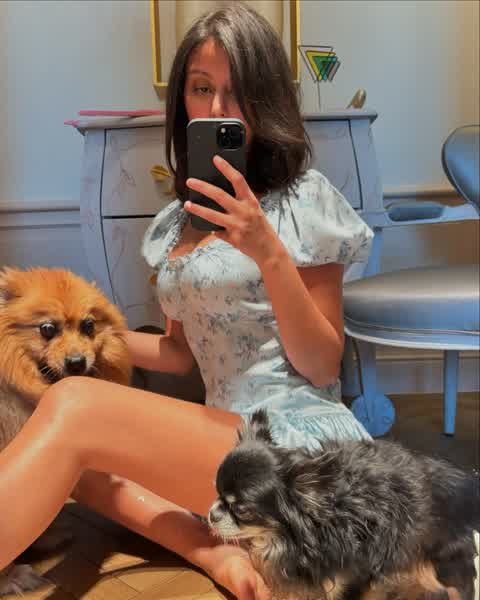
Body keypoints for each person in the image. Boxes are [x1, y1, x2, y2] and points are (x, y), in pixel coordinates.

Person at [0, 3, 374, 599]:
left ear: (266, 99)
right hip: (220, 436)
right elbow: (178, 356)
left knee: (74, 406)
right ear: (183, 103)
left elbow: (324, 365)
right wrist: (78, 333)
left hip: (296, 435)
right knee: (86, 468)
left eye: (237, 91)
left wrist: (269, 252)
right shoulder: (176, 223)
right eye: (202, 89)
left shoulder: (304, 200)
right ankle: (210, 549)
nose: (218, 108)